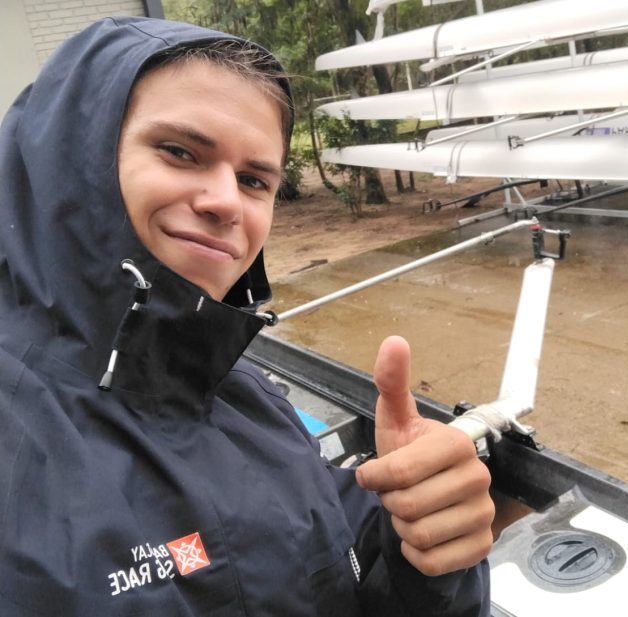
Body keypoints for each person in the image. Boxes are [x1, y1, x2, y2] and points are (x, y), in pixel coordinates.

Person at [0, 16, 493, 616]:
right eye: (180, 152)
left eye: (254, 179)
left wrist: (424, 543)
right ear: (71, 161)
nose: (226, 203)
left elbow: (339, 560)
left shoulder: (244, 391)